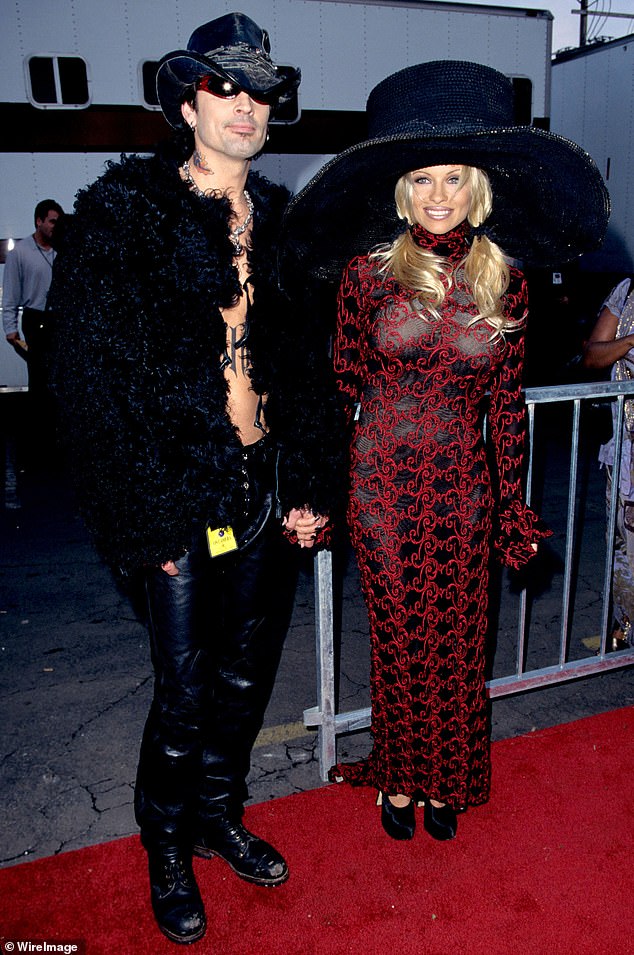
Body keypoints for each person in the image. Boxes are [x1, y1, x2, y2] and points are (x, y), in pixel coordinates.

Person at [48, 12, 342, 946]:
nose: (247, 106)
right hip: (176, 494)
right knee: (182, 685)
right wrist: (148, 518)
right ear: (186, 103)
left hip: (261, 480)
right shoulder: (126, 216)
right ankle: (166, 845)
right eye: (226, 87)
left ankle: (218, 812)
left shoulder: (287, 226)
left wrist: (310, 484)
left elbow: (306, 371)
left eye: (261, 90)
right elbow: (87, 387)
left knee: (248, 670)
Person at [283, 61, 609, 842]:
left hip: (463, 487)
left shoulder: (507, 283)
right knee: (400, 645)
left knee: (462, 647)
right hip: (381, 489)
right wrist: (321, 492)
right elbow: (340, 392)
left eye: (454, 178)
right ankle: (400, 776)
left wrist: (513, 508)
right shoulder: (366, 276)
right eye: (423, 178)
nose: (437, 196)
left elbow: (506, 406)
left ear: (478, 187)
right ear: (402, 188)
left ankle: (447, 779)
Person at [583, 278, 634, 650]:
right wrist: (630, 341)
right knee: (624, 541)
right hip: (628, 446)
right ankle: (624, 627)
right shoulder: (628, 292)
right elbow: (593, 355)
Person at [2, 199, 64, 453]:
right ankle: (38, 442)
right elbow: (12, 294)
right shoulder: (22, 252)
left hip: (58, 320)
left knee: (59, 379)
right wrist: (10, 328)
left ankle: (57, 438)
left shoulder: (62, 250)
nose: (54, 227)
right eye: (51, 221)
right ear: (38, 221)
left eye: (57, 222)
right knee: (39, 380)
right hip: (35, 320)